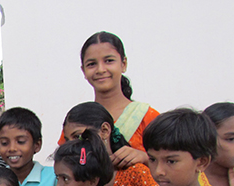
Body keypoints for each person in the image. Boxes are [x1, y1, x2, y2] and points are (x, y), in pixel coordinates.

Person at [58, 32, 159, 168]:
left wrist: (144, 157)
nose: (100, 69)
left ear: (123, 64)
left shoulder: (147, 117)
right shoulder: (77, 120)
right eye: (92, 64)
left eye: (109, 61)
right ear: (83, 71)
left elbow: (172, 163)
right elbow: (64, 166)